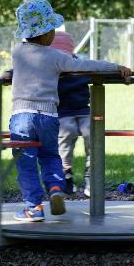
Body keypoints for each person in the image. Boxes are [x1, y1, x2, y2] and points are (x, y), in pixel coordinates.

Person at [10, 0, 131, 222]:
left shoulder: (17, 53)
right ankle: (56, 189)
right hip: (48, 116)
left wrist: (8, 76)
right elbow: (86, 65)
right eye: (53, 30)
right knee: (50, 155)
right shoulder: (56, 57)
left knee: (26, 161)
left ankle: (34, 208)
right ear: (46, 33)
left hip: (21, 116)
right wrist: (116, 67)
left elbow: (14, 71)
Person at [49, 31, 92, 196]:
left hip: (83, 110)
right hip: (62, 112)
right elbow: (26, 67)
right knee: (66, 133)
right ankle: (66, 174)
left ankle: (91, 173)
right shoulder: (49, 65)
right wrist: (10, 74)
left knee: (93, 131)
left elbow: (99, 66)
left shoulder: (80, 65)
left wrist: (120, 72)